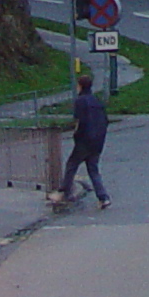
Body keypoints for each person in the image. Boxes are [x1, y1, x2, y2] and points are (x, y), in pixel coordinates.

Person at [54, 71, 111, 209]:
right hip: (98, 141)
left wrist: (76, 135)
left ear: (80, 86)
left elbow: (80, 121)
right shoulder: (97, 101)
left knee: (71, 165)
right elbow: (106, 120)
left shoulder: (80, 101)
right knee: (93, 169)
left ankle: (63, 193)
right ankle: (103, 198)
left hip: (84, 140)